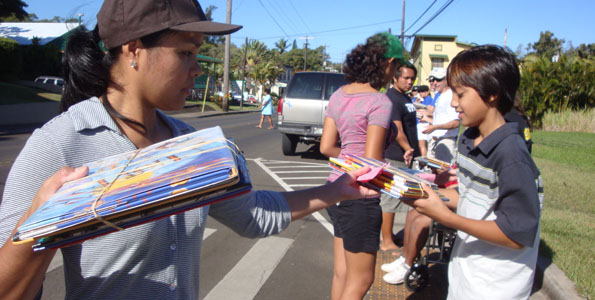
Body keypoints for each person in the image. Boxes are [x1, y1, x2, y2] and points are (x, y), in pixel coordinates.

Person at [0, 1, 381, 299]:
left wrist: (335, 191)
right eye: (186, 53)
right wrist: (40, 226)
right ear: (133, 49)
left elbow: (252, 215)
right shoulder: (61, 143)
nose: (197, 68)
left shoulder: (191, 143)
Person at [408, 45, 543, 299]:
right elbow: (471, 198)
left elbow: (516, 234)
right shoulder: (469, 138)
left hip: (495, 285)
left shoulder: (512, 155)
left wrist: (447, 219)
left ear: (492, 93)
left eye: (460, 94)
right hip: (466, 273)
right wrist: (427, 197)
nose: (452, 102)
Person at [319, 32, 402, 300]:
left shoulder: (339, 95)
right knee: (362, 278)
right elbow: (371, 161)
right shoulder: (379, 101)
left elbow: (326, 147)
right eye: (397, 67)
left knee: (341, 273)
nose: (395, 74)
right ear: (388, 63)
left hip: (336, 187)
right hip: (362, 195)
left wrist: (349, 161)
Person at [379, 62, 420, 253]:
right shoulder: (392, 99)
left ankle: (391, 236)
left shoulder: (404, 97)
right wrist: (407, 148)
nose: (410, 82)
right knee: (390, 198)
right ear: (395, 78)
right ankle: (386, 240)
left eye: (412, 78)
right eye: (406, 78)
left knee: (398, 197)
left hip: (407, 155)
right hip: (396, 154)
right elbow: (397, 129)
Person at [422, 67, 460, 163]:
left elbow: (456, 123)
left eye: (438, 79)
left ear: (447, 79)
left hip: (445, 141)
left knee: (444, 174)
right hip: (435, 141)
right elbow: (441, 120)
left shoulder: (451, 95)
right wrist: (426, 118)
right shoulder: (440, 96)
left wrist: (435, 127)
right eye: (431, 80)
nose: (434, 82)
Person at [415, 85, 433, 156]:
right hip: (423, 123)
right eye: (419, 92)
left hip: (424, 123)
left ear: (427, 92)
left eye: (422, 91)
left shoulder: (428, 99)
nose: (420, 93)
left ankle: (423, 161)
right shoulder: (422, 99)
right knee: (424, 145)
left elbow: (427, 111)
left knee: (422, 144)